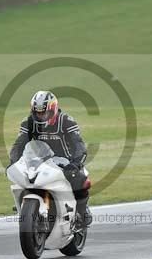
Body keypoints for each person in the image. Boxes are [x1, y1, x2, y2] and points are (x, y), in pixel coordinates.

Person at [9, 90, 93, 232]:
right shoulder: (28, 122)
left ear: (53, 109)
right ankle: (26, 209)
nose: (41, 116)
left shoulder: (66, 121)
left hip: (66, 162)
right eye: (37, 113)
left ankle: (82, 212)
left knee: (81, 180)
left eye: (44, 112)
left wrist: (75, 163)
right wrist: (13, 163)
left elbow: (79, 145)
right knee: (24, 178)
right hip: (40, 160)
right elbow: (19, 145)